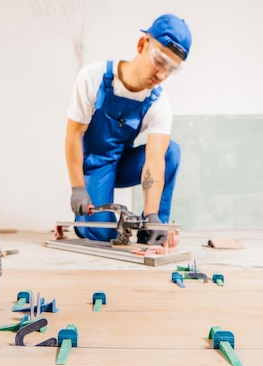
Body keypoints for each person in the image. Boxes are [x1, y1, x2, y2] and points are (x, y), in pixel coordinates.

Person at [64, 14, 192, 245]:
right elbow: (74, 135)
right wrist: (78, 188)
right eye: (160, 61)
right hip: (94, 167)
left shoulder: (158, 102)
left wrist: (151, 214)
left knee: (171, 151)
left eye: (171, 69)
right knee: (101, 236)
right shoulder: (92, 78)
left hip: (124, 165)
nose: (162, 75)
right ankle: (86, 225)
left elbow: (154, 160)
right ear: (142, 45)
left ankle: (152, 229)